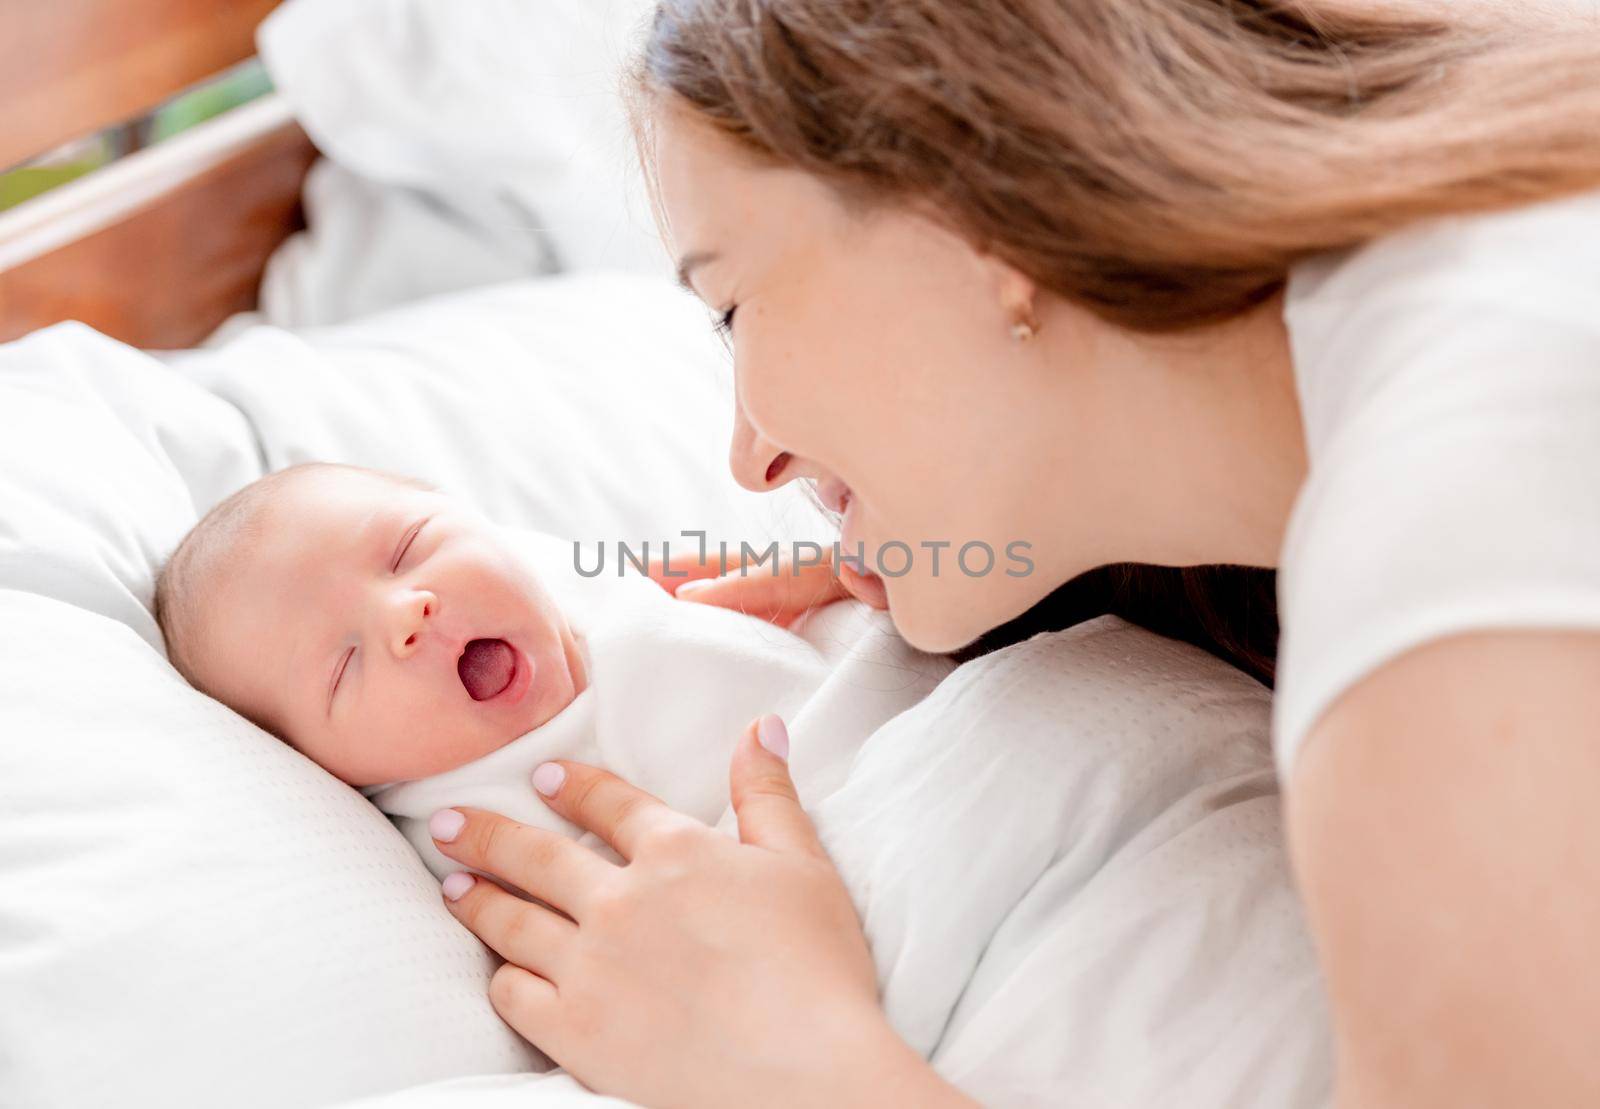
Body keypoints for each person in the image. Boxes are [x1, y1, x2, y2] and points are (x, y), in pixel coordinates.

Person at [425, 3, 1600, 1105]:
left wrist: (800, 1064)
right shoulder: (1463, 317)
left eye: (733, 309)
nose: (752, 460)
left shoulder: (1452, 575)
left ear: (967, 214)